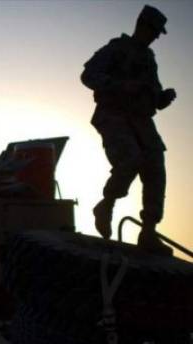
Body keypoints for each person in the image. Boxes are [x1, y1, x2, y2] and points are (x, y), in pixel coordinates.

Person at [81, 4, 176, 256]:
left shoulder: (149, 59)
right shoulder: (116, 48)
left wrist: (162, 98)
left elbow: (153, 94)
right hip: (113, 115)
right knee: (130, 158)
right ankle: (107, 204)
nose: (156, 36)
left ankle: (148, 232)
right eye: (155, 30)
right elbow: (88, 75)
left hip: (141, 121)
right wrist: (121, 86)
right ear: (143, 26)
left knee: (155, 166)